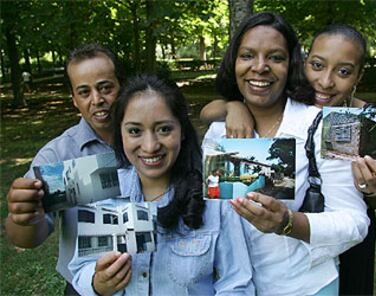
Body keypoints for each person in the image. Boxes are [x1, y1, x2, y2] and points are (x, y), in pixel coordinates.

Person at [201, 23, 376, 295]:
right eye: (318, 66)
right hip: (237, 286)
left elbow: (375, 207)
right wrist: (231, 105)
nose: (326, 81)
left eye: (275, 57)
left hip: (314, 275)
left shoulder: (347, 124)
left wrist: (287, 221)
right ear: (305, 63)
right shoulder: (220, 132)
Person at [69, 74, 254, 295]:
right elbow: (81, 270)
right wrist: (97, 283)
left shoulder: (216, 193)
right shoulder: (103, 191)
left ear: (182, 131)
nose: (150, 146)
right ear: (120, 133)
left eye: (164, 129)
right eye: (135, 131)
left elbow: (236, 284)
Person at [5, 43, 124, 295]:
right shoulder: (56, 156)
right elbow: (26, 238)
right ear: (74, 99)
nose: (97, 99)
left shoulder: (151, 142)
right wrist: (24, 217)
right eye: (84, 92)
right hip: (85, 287)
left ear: (122, 86)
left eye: (105, 88)